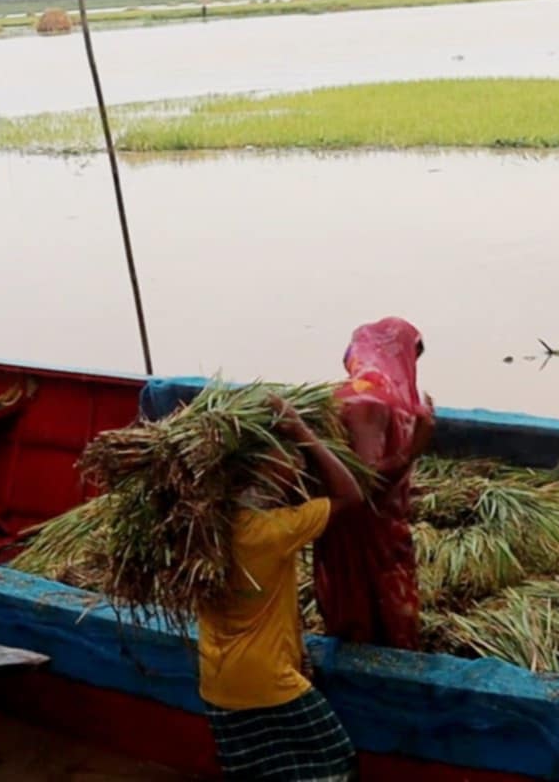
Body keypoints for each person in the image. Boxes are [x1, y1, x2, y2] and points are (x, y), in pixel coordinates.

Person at [197, 395, 364, 781]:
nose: (296, 464)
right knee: (335, 763)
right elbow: (350, 495)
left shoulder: (205, 527)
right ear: (261, 470)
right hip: (267, 683)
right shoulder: (273, 532)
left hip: (217, 682)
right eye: (286, 458)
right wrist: (302, 432)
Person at [312, 318, 435, 650]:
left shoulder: (378, 395)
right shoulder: (369, 402)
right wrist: (415, 448)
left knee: (362, 613)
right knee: (374, 618)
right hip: (365, 534)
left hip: (366, 527)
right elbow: (364, 486)